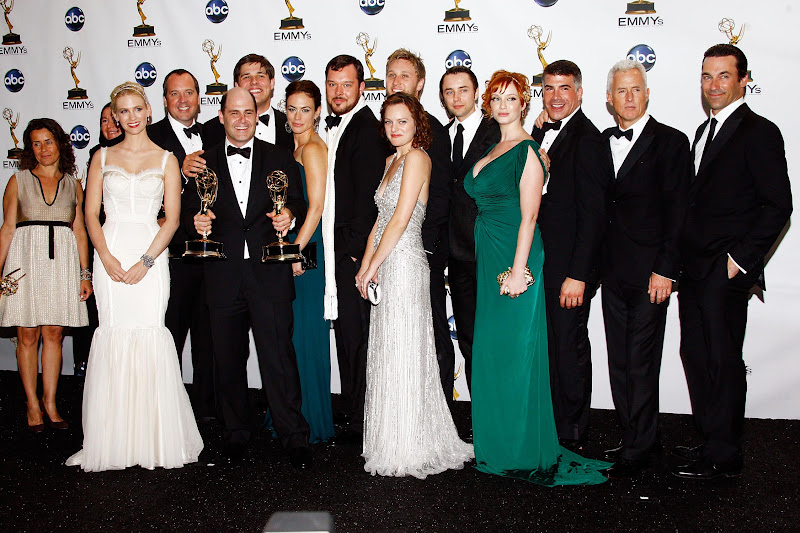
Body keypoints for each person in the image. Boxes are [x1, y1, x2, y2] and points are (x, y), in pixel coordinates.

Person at [465, 70, 609, 485]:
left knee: (516, 354)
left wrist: (518, 270)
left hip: (516, 259)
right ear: (489, 105)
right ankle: (498, 441)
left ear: (523, 104)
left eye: (512, 98)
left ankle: (521, 447)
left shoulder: (527, 150)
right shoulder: (495, 147)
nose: (504, 104)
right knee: (494, 353)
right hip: (490, 254)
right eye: (497, 98)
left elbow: (529, 216)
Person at [66, 81, 202, 471]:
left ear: (148, 111)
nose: (130, 117)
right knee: (112, 334)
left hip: (151, 255)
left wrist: (146, 260)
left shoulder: (167, 159)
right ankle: (112, 441)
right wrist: (103, 258)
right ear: (115, 115)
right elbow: (90, 214)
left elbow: (173, 219)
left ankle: (155, 440)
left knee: (150, 335)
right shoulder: (102, 157)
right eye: (122, 111)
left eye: (136, 109)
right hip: (110, 252)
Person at [673, 44, 792, 480]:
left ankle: (725, 453)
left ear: (744, 80)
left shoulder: (759, 131)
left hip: (724, 271)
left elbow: (778, 205)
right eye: (707, 76)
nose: (714, 84)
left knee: (722, 359)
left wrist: (739, 260)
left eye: (724, 76)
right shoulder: (703, 132)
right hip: (693, 269)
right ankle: (710, 441)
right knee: (696, 354)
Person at [187, 87, 311, 468]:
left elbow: (299, 202)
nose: (241, 119)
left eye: (248, 112)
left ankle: (293, 434)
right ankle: (236, 431)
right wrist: (197, 220)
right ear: (221, 116)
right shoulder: (200, 164)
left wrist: (288, 215)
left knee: (279, 358)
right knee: (227, 359)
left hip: (268, 272)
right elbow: (187, 207)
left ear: (257, 116)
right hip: (222, 274)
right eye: (234, 112)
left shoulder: (279, 156)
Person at [356, 92, 473, 478]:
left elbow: (402, 219)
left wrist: (374, 264)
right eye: (388, 122)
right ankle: (390, 437)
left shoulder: (419, 158)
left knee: (405, 350)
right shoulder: (391, 160)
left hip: (405, 264)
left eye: (402, 121)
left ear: (417, 123)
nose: (394, 129)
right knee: (388, 350)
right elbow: (380, 217)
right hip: (385, 261)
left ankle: (411, 442)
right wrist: (365, 265)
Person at [600, 60, 691, 478]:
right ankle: (635, 435)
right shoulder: (602, 141)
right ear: (609, 98)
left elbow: (679, 213)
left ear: (648, 93)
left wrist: (666, 270)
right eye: (622, 91)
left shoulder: (672, 142)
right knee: (619, 360)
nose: (630, 98)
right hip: (613, 272)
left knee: (641, 359)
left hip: (652, 275)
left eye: (636, 89)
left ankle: (641, 446)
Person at [531, 60, 611, 452]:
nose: (556, 96)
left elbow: (595, 215)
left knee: (568, 348)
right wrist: (539, 131)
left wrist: (578, 274)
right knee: (551, 347)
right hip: (544, 266)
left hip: (568, 270)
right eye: (549, 88)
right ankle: (554, 422)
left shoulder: (589, 139)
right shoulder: (545, 132)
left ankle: (573, 431)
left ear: (579, 92)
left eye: (565, 88)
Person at [0, 118, 91, 433]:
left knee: (54, 333)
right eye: (36, 143)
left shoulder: (72, 183)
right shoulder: (18, 181)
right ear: (30, 148)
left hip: (62, 263)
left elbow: (79, 231)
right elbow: (8, 228)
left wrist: (85, 274)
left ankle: (51, 403)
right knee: (27, 335)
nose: (43, 149)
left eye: (48, 141)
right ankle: (32, 404)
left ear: (60, 144)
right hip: (25, 262)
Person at [321, 55, 389, 440]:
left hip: (352, 254)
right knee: (348, 336)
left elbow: (369, 198)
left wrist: (352, 252)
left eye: (347, 84)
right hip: (337, 252)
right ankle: (353, 408)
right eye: (333, 84)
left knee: (359, 337)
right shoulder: (333, 127)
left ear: (362, 88)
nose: (339, 92)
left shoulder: (366, 128)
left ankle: (363, 416)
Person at [384, 49, 455, 409]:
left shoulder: (433, 133)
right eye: (391, 75)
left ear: (421, 83)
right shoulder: (387, 134)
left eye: (405, 75)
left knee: (431, 331)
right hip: (391, 251)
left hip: (420, 250)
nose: (397, 82)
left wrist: (424, 247)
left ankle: (437, 410)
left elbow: (441, 196)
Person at [147, 68, 215, 421]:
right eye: (175, 94)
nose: (183, 100)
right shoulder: (150, 138)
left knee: (209, 336)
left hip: (213, 254)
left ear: (199, 98)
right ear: (164, 100)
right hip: (171, 255)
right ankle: (164, 410)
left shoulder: (215, 134)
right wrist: (177, 171)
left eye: (189, 92)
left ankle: (204, 411)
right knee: (169, 332)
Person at [439, 66, 501, 395]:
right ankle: (482, 418)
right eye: (449, 92)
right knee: (470, 340)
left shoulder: (498, 132)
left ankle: (500, 420)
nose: (456, 98)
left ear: (477, 93)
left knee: (495, 339)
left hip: (490, 254)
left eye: (463, 90)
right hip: (457, 257)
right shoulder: (441, 135)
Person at [284, 80, 334, 443]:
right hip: (296, 242)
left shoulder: (313, 148)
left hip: (306, 248)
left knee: (305, 335)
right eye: (292, 108)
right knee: (291, 334)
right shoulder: (294, 145)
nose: (298, 116)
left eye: (306, 109)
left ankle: (310, 420)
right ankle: (292, 414)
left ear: (317, 111)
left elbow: (316, 208)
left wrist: (295, 251)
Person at [73, 103, 123, 378]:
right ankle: (87, 369)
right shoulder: (96, 157)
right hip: (98, 242)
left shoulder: (147, 154)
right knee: (93, 311)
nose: (110, 125)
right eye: (104, 120)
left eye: (114, 118)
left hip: (132, 242)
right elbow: (86, 212)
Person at [201, 54, 292, 150]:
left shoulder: (291, 124)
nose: (254, 82)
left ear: (271, 83)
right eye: (246, 77)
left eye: (260, 76)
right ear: (236, 85)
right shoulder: (211, 128)